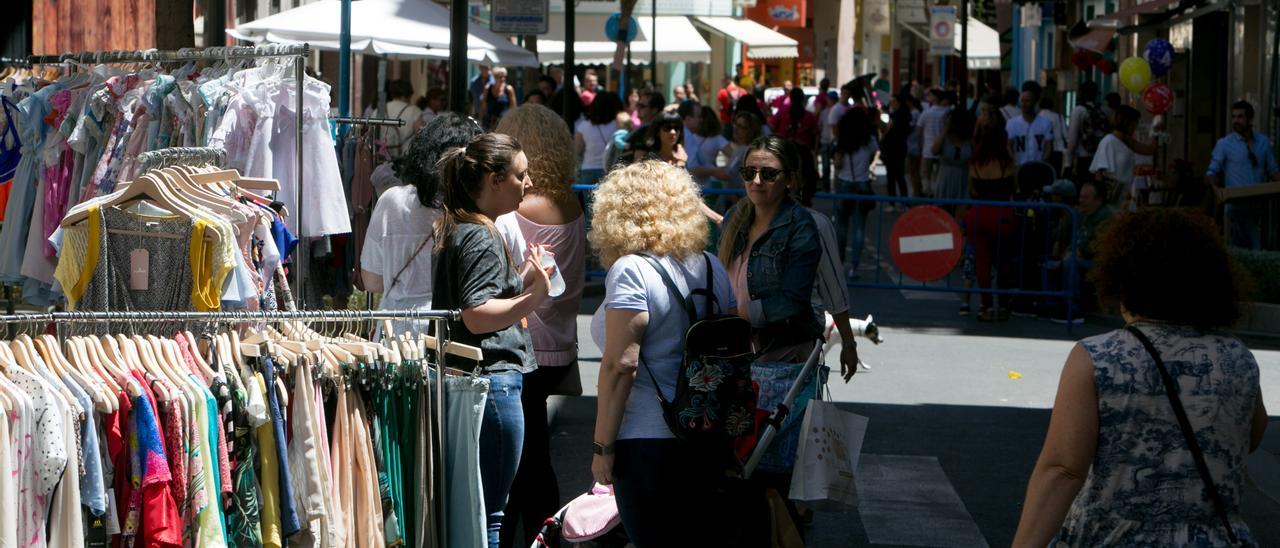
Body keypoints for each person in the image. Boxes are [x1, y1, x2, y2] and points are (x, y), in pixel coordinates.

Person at [1013, 208, 1267, 547]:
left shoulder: (1098, 357)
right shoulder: (1238, 358)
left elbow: (1062, 470)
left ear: (1124, 277)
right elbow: (1247, 438)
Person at [588, 161, 748, 548]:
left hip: (646, 436)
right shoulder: (710, 266)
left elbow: (620, 365)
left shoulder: (631, 270)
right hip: (705, 431)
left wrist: (601, 447)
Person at [432, 133, 553, 548]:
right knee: (490, 512)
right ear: (494, 179)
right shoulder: (481, 233)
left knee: (476, 507)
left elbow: (479, 301)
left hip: (474, 378)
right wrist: (533, 297)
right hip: (494, 380)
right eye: (521, 175)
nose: (529, 183)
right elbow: (477, 315)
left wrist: (523, 280)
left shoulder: (463, 226)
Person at [492, 105, 587, 548]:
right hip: (561, 346)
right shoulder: (571, 202)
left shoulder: (517, 210)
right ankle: (541, 532)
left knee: (521, 458)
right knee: (534, 451)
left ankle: (531, 535)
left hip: (524, 344)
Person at [361, 113, 481, 332]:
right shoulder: (482, 209)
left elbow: (372, 282)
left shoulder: (392, 201)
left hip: (396, 329)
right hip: (456, 332)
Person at [719, 136, 823, 360]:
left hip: (783, 351)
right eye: (748, 172)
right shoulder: (732, 219)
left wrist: (738, 314)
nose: (756, 181)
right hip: (733, 348)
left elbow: (793, 300)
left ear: (789, 180)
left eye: (768, 174)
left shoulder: (800, 225)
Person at [965, 114, 1019, 321]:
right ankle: (1003, 306)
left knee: (982, 263)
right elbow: (1013, 188)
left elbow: (972, 190)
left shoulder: (976, 162)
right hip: (1002, 213)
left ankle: (986, 306)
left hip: (979, 213)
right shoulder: (1006, 162)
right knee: (1003, 261)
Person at [1206, 100, 1280, 250]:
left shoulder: (1263, 142)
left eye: (1240, 117)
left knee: (1245, 248)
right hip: (1236, 205)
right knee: (1253, 246)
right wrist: (1217, 191)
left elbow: (1273, 171)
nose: (1236, 121)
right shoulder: (1224, 144)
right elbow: (1211, 172)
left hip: (1258, 205)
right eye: (1233, 117)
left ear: (1250, 119)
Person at [1045, 181, 1115, 323]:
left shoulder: (1106, 217)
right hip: (1077, 256)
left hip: (1097, 262)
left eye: (1085, 198)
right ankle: (1048, 303)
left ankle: (1073, 309)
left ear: (1098, 200)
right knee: (1049, 262)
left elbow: (1095, 247)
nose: (1081, 201)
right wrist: (1066, 217)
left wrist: (1076, 252)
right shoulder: (1078, 214)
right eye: (1080, 197)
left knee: (1071, 262)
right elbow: (1063, 238)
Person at [832, 108, 879, 275]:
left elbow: (837, 165)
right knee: (859, 228)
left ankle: (839, 263)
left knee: (841, 227)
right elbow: (875, 152)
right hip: (863, 186)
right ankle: (855, 266)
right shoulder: (869, 140)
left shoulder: (843, 142)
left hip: (845, 185)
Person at [1090, 105, 1154, 208]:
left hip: (1125, 197)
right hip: (1112, 198)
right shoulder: (1108, 141)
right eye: (1134, 123)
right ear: (1126, 122)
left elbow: (1149, 150)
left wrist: (1156, 132)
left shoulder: (1128, 142)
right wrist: (1101, 199)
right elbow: (1099, 173)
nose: (1135, 127)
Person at [1064, 81, 1108, 184]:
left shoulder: (1078, 110)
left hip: (1084, 158)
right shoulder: (1102, 110)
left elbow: (1072, 141)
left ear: (1081, 93)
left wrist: (1068, 164)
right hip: (1100, 159)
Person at [575, 91, 623, 184]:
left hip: (588, 168)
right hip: (610, 169)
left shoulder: (583, 126)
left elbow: (578, 150)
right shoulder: (617, 124)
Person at [914, 89, 951, 196]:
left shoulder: (926, 113)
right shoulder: (946, 113)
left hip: (927, 148)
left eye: (930, 95)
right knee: (939, 174)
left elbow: (919, 131)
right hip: (943, 148)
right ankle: (938, 193)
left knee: (925, 174)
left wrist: (920, 146)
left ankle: (928, 193)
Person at [932, 108, 975, 201]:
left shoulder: (969, 141)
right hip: (945, 178)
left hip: (963, 178)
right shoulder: (944, 138)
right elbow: (934, 150)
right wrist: (945, 130)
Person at [1006, 87, 1055, 168]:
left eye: (1027, 101)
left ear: (1034, 102)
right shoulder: (1012, 123)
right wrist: (1014, 161)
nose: (1024, 104)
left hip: (1039, 167)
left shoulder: (1046, 123)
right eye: (1022, 101)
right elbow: (1009, 145)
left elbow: (1048, 145)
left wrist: (1043, 162)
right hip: (1019, 167)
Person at [881, 93, 913, 202]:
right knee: (899, 176)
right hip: (900, 147)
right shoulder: (905, 115)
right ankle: (904, 201)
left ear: (898, 103)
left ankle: (892, 201)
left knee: (892, 176)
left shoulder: (895, 116)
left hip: (893, 148)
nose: (892, 103)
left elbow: (887, 131)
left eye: (893, 101)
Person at [382, 79, 425, 159]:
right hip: (405, 157)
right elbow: (421, 135)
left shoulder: (380, 109)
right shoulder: (414, 110)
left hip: (383, 156)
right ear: (408, 94)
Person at [819, 84, 851, 187]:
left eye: (830, 99)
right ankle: (826, 187)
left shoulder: (842, 109)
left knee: (838, 165)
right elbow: (820, 127)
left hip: (836, 142)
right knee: (825, 166)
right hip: (825, 141)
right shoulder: (823, 112)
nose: (828, 101)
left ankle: (837, 187)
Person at [1039, 95, 1067, 176]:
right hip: (1057, 149)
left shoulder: (1037, 117)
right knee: (1056, 174)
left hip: (1042, 150)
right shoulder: (1059, 116)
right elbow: (1065, 134)